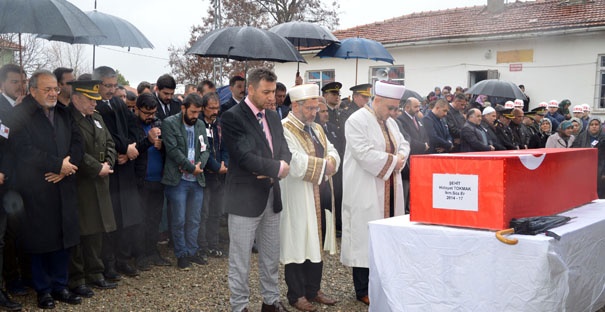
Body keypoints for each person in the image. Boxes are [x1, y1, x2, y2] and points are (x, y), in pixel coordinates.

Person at [8, 70, 83, 309]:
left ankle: (60, 285)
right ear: (32, 91)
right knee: (40, 241)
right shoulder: (20, 114)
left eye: (55, 89)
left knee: (63, 239)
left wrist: (66, 167)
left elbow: (78, 142)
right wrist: (55, 164)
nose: (53, 93)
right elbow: (22, 149)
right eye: (47, 89)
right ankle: (43, 290)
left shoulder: (63, 111)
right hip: (37, 187)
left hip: (64, 183)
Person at [221, 68, 292, 312]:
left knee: (271, 256)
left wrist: (276, 167)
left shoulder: (273, 116)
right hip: (244, 199)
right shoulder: (232, 117)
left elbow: (284, 149)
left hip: (272, 195)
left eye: (273, 91)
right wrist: (276, 167)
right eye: (266, 92)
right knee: (240, 259)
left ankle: (270, 302)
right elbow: (243, 156)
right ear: (250, 90)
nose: (272, 97)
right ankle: (239, 306)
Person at [341, 81, 410, 306]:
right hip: (365, 189)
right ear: (377, 100)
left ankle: (384, 283)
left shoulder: (391, 123)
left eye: (396, 109)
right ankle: (362, 289)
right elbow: (363, 153)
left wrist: (400, 157)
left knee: (386, 236)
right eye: (390, 108)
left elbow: (404, 144)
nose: (393, 113)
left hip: (390, 187)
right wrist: (394, 160)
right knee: (364, 238)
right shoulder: (357, 120)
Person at [279, 84, 340, 312]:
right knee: (297, 241)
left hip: (320, 191)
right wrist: (328, 165)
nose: (315, 113)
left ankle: (313, 290)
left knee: (316, 239)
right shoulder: (285, 128)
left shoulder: (316, 127)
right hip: (297, 195)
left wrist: (332, 161)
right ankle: (296, 295)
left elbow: (332, 149)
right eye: (311, 108)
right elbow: (295, 162)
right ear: (296, 105)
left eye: (317, 108)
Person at [66, 79, 118, 299]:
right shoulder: (69, 119)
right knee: (80, 232)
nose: (95, 104)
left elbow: (109, 143)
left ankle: (96, 272)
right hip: (81, 182)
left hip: (100, 180)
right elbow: (74, 149)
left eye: (96, 100)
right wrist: (97, 168)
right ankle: (77, 278)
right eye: (90, 100)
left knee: (97, 228)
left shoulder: (97, 118)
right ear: (76, 98)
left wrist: (108, 163)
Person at [93, 66, 143, 280]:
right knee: (110, 219)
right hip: (110, 170)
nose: (112, 90)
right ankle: (108, 263)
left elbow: (136, 128)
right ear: (97, 85)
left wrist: (131, 148)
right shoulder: (95, 107)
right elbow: (108, 135)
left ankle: (123, 259)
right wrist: (124, 149)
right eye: (108, 85)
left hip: (126, 168)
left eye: (115, 85)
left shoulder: (118, 104)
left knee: (127, 218)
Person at [161, 93, 210, 270]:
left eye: (198, 112)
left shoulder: (200, 124)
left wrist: (198, 166)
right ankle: (181, 254)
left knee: (195, 219)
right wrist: (190, 167)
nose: (196, 116)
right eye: (193, 112)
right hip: (178, 179)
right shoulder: (169, 123)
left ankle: (192, 250)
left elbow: (206, 149)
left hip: (197, 179)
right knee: (179, 219)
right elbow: (172, 150)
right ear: (183, 108)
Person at [132, 93, 171, 268]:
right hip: (140, 180)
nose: (150, 117)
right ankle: (140, 255)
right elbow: (131, 152)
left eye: (153, 113)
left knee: (154, 219)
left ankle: (152, 252)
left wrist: (163, 146)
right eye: (147, 113)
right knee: (140, 219)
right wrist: (147, 141)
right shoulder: (132, 125)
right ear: (137, 109)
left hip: (158, 180)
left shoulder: (158, 124)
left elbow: (168, 151)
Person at [198, 92, 229, 259]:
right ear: (203, 108)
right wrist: (217, 167)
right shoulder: (199, 124)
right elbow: (204, 150)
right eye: (211, 108)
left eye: (217, 108)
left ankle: (214, 244)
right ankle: (202, 246)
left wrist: (225, 164)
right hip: (205, 175)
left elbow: (225, 147)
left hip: (220, 175)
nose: (215, 111)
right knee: (204, 212)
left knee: (216, 212)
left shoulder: (219, 124)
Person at [397, 97, 429, 213]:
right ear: (407, 107)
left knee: (415, 187)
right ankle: (405, 210)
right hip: (408, 159)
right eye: (415, 107)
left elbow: (424, 134)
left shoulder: (418, 120)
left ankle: (413, 208)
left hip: (419, 158)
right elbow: (407, 139)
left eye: (419, 106)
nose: (418, 109)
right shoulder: (402, 120)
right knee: (406, 189)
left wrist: (426, 144)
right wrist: (422, 146)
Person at [572, 117, 605, 197]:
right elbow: (574, 152)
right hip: (584, 170)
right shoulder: (581, 137)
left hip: (600, 171)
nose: (594, 126)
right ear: (588, 126)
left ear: (600, 126)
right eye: (592, 124)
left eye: (596, 124)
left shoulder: (603, 138)